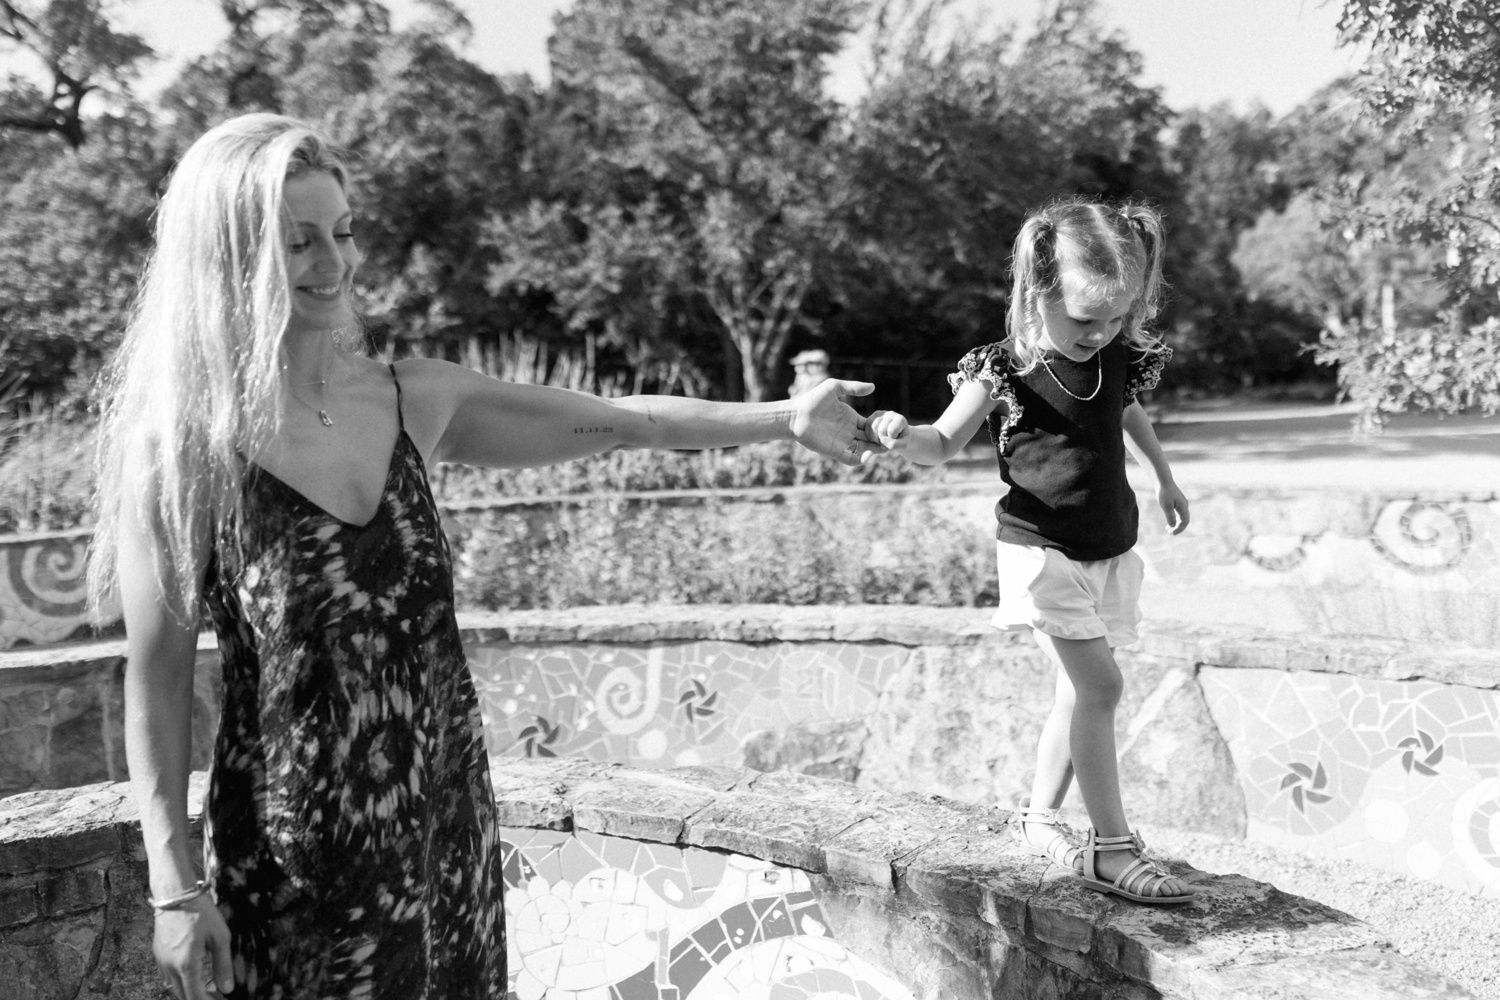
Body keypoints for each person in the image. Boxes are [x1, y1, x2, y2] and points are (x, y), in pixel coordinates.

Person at [87, 112, 884, 1000]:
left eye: (343, 233)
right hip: (292, 869)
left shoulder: (415, 399)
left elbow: (626, 420)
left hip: (446, 840)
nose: (335, 263)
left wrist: (784, 416)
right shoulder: (183, 451)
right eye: (298, 241)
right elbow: (154, 680)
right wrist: (174, 887)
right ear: (227, 260)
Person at [866, 198, 1193, 905]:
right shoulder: (1003, 370)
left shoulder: (1115, 355)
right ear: (1039, 291)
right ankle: (1110, 849)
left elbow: (1127, 410)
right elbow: (941, 444)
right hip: (1040, 552)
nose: (1102, 331)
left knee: (1077, 692)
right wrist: (899, 433)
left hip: (1108, 546)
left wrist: (1164, 476)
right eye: (1085, 319)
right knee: (1102, 687)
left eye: (1116, 316)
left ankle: (1040, 817)